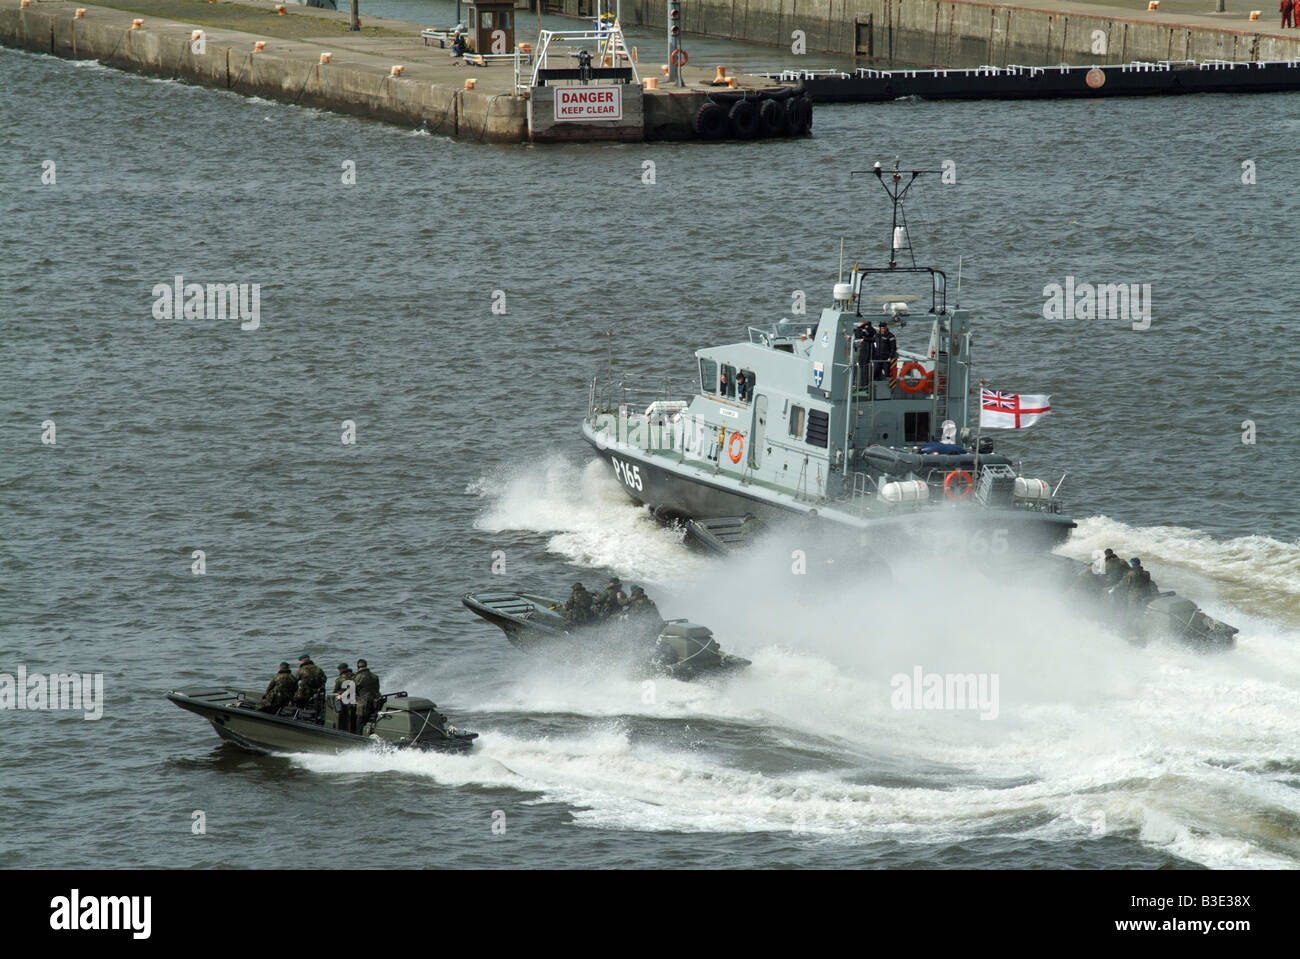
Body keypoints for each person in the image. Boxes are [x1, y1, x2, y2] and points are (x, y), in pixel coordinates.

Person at [353, 658, 380, 731]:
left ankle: (358, 736)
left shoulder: (358, 677)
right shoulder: (375, 676)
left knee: (360, 720)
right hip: (375, 702)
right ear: (366, 665)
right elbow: (377, 689)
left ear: (358, 667)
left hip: (363, 703)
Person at [334, 662, 356, 733]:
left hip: (346, 700)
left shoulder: (340, 679)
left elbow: (335, 691)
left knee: (336, 698)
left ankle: (341, 726)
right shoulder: (354, 676)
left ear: (340, 670)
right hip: (355, 699)